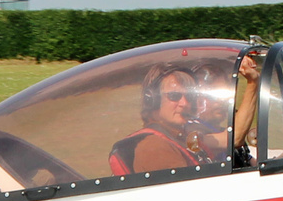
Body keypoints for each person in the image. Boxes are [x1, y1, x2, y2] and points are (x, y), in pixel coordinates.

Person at [109, 54, 260, 176]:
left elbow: (234, 138)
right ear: (153, 100)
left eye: (188, 96)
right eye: (174, 96)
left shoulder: (181, 136)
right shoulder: (154, 147)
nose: (185, 103)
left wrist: (252, 81)